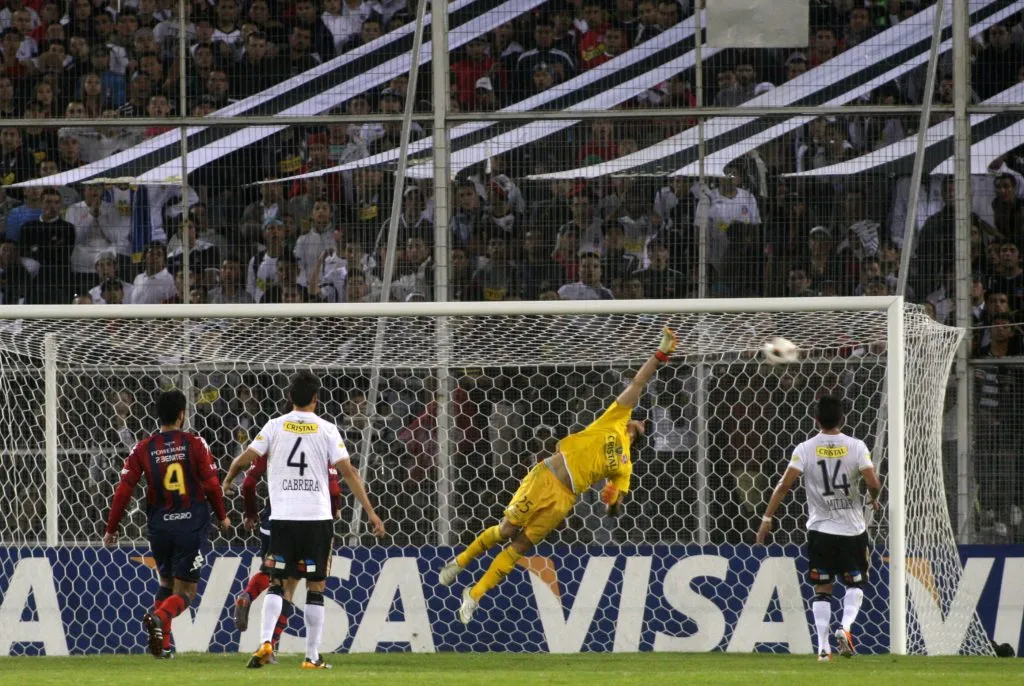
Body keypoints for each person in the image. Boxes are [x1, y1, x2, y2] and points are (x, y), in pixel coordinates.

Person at [440, 327, 678, 623]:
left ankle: (474, 595)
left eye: (645, 422)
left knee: (521, 545)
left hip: (564, 499)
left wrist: (611, 500)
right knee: (506, 531)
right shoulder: (615, 419)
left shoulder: (625, 465)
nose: (641, 419)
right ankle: (459, 563)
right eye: (640, 417)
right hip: (546, 477)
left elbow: (614, 510)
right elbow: (639, 382)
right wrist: (661, 354)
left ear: (644, 432)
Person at [223, 371, 385, 669]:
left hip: (282, 517)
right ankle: (311, 657)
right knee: (316, 586)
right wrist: (372, 512)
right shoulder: (327, 429)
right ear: (316, 399)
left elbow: (245, 458)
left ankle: (265, 642)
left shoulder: (273, 426)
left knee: (275, 582)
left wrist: (229, 478)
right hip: (316, 518)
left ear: (289, 398)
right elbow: (348, 473)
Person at [103, 390, 231, 658]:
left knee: (166, 583)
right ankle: (159, 617)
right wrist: (222, 515)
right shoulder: (195, 443)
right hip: (190, 527)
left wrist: (112, 527)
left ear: (157, 415)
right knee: (188, 592)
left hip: (160, 528)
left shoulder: (144, 448)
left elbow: (124, 489)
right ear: (182, 414)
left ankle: (163, 647)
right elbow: (211, 484)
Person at [755, 396, 881, 662]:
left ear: (815, 420)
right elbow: (872, 480)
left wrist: (767, 517)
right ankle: (845, 628)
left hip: (820, 531)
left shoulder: (805, 448)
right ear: (843, 419)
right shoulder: (856, 446)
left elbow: (784, 485)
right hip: (851, 531)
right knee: (856, 584)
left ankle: (824, 649)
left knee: (822, 589)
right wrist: (873, 495)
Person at [231, 453, 343, 661]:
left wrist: (251, 513)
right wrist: (335, 508)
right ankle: (283, 648)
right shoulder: (318, 446)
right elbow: (334, 488)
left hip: (273, 519)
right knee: (290, 585)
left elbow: (248, 483)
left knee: (274, 574)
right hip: (306, 523)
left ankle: (248, 597)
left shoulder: (276, 444)